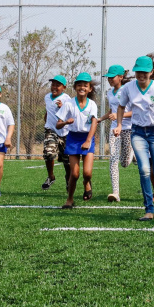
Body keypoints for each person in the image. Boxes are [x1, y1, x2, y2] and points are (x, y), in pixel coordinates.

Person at [114, 56, 154, 221]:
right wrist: (119, 125)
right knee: (144, 170)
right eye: (138, 71)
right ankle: (149, 209)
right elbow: (120, 107)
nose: (141, 75)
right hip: (138, 133)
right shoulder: (128, 88)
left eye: (144, 72)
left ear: (151, 72)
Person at [56, 72, 98, 208]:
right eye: (79, 85)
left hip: (87, 138)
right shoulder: (68, 104)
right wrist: (66, 122)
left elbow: (94, 123)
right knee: (74, 174)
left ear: (90, 88)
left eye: (85, 85)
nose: (82, 88)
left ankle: (87, 182)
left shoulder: (92, 104)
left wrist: (88, 140)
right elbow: (58, 124)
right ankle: (69, 199)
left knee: (87, 173)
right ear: (75, 87)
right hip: (73, 138)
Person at [102, 65, 134, 202]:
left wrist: (120, 115)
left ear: (121, 77)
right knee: (113, 159)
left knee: (125, 163)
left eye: (112, 76)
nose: (109, 79)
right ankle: (115, 192)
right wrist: (100, 119)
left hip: (129, 128)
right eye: (108, 77)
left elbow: (135, 111)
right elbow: (112, 111)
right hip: (115, 129)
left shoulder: (128, 91)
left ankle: (133, 153)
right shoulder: (109, 93)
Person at [42, 75, 71, 191]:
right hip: (51, 130)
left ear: (64, 87)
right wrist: (47, 120)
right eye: (53, 84)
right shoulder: (47, 97)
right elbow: (48, 111)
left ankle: (69, 179)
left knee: (67, 161)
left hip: (65, 133)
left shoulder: (67, 99)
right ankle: (51, 177)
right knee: (48, 153)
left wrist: (62, 107)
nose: (54, 87)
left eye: (57, 85)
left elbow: (71, 115)